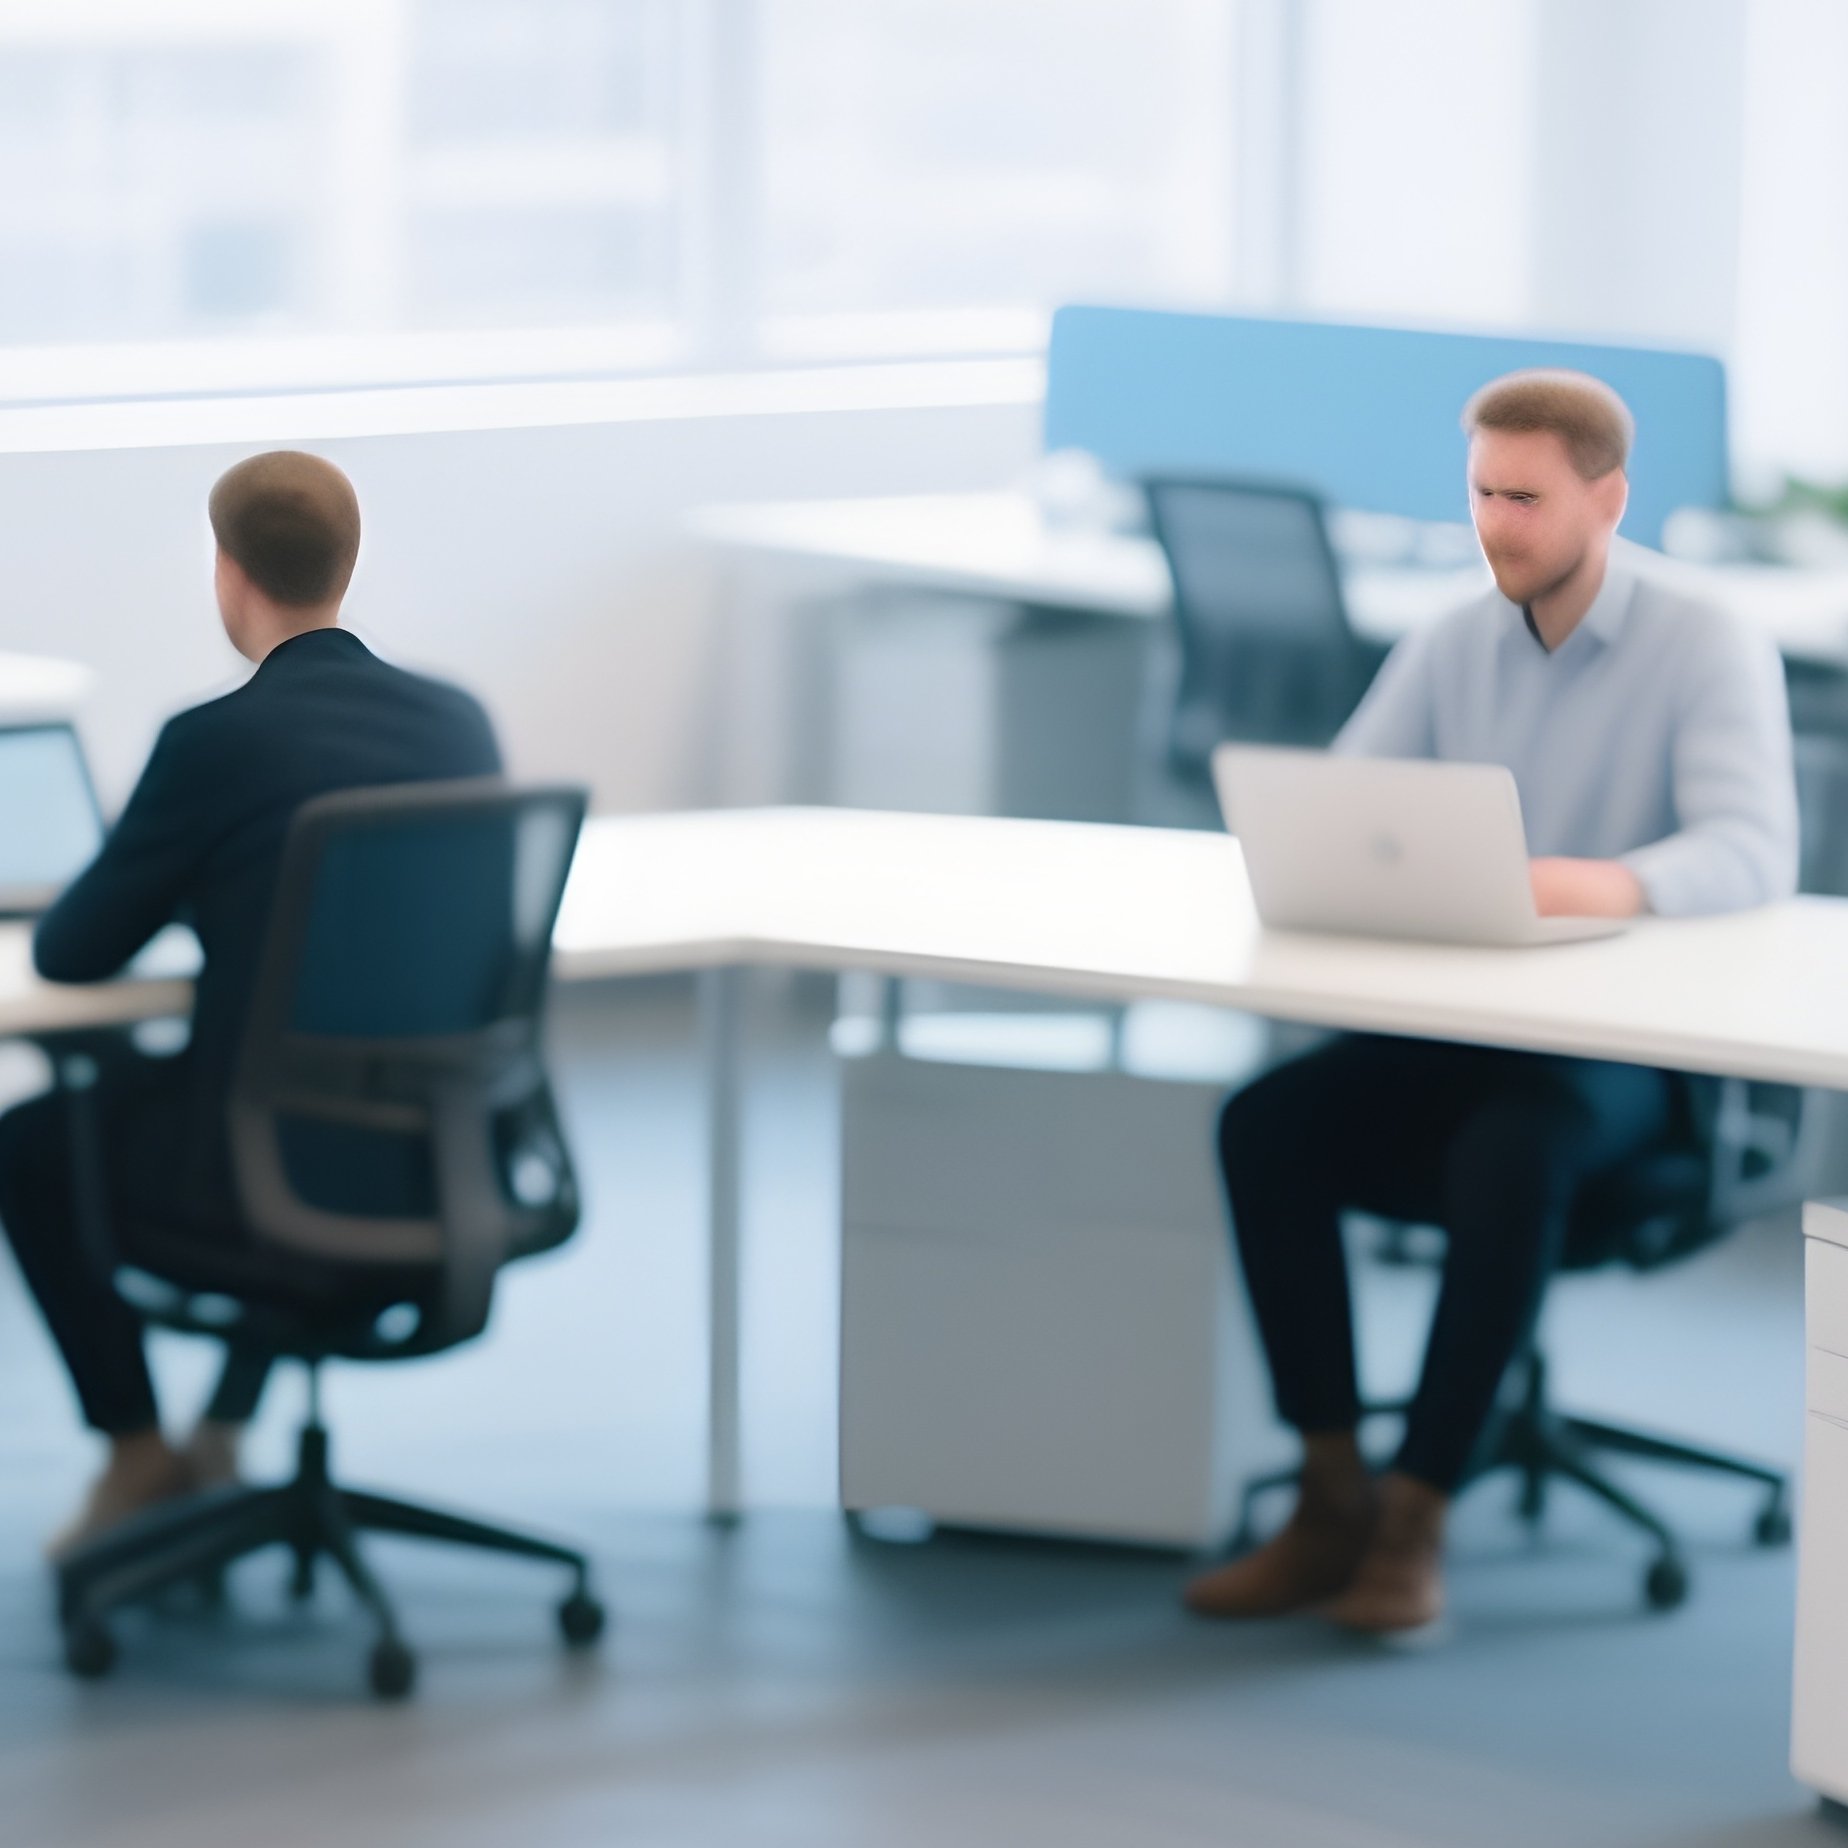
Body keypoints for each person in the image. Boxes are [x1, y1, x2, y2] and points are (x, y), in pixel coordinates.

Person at [1184, 370, 1799, 1636]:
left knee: (1511, 1150)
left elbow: (1753, 851)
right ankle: (1330, 1494)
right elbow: (1345, 802)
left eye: (1526, 499)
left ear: (1608, 500)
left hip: (1630, 1053)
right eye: (1482, 495)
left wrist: (1591, 882)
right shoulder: (1453, 636)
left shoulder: (1704, 638)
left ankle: (1416, 1519)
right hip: (1465, 1022)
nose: (1496, 526)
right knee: (1266, 1126)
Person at [0, 450, 502, 1556]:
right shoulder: (457, 722)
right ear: (347, 566)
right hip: (441, 1155)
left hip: (263, 1177)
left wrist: (192, 888)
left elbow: (75, 952)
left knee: (31, 1145)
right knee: (267, 1097)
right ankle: (223, 1431)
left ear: (227, 574)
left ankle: (138, 1450)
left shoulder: (212, 742)